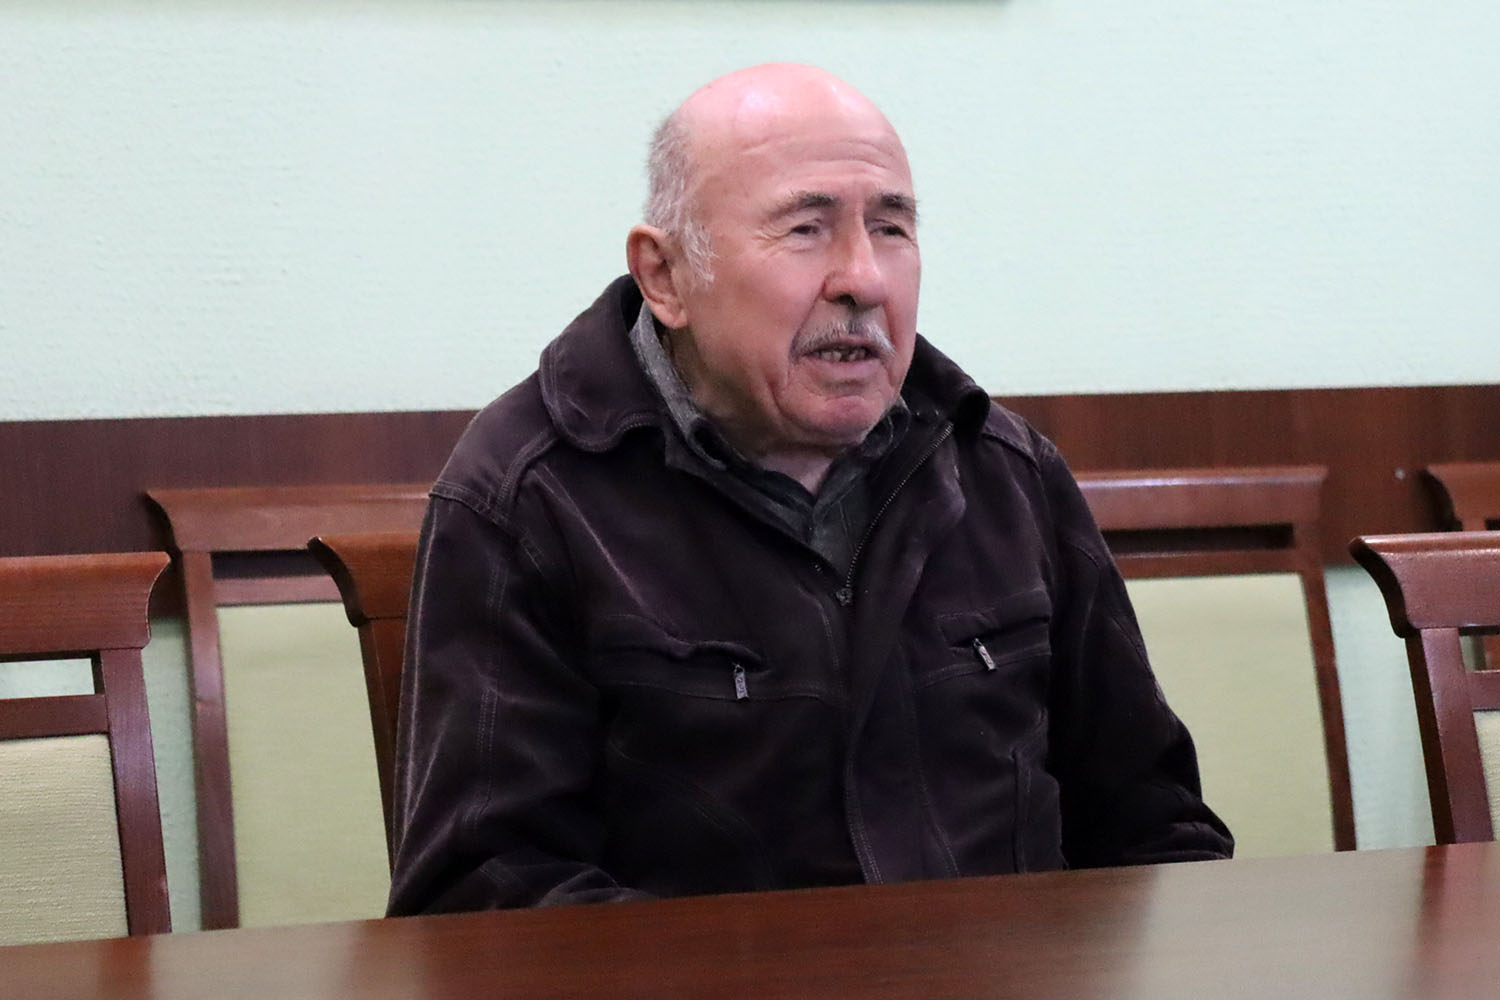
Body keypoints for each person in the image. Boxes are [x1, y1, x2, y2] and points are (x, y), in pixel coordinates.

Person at [387, 63, 1231, 914]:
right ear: (666, 276)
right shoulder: (528, 496)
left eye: (891, 227)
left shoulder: (1002, 470)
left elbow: (1155, 826)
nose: (864, 278)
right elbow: (485, 896)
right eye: (805, 229)